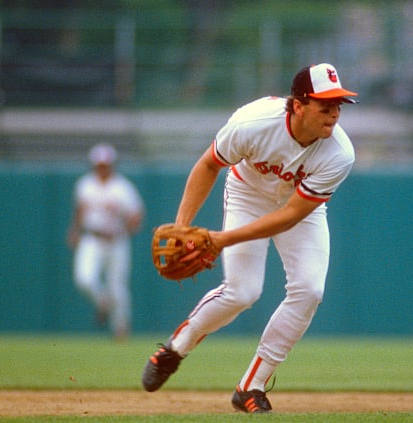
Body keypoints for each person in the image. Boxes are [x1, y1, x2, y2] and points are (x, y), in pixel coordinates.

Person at [141, 63, 358, 413]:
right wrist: (183, 227)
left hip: (299, 206)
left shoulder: (339, 154)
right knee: (243, 291)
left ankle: (250, 387)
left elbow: (289, 215)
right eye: (325, 105)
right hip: (248, 194)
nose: (334, 114)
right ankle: (175, 348)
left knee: (310, 289)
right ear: (298, 105)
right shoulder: (253, 123)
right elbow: (209, 164)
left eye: (338, 106)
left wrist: (221, 239)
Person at [67, 143, 145, 341]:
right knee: (84, 278)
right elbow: (79, 210)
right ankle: (102, 301)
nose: (102, 167)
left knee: (118, 286)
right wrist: (74, 230)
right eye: (99, 164)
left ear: (112, 164)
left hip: (116, 239)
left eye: (105, 164)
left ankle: (121, 329)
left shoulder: (122, 187)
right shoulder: (85, 184)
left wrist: (125, 230)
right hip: (91, 237)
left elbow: (136, 215)